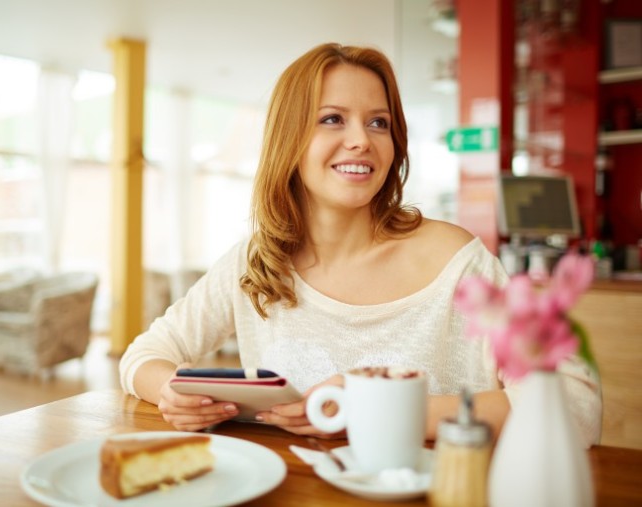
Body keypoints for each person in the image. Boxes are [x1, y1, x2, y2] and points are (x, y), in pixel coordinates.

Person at [120, 42, 601, 446]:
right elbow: (143, 356)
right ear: (288, 140)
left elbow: (574, 405)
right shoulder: (257, 260)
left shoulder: (457, 263)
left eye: (378, 123)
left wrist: (379, 411)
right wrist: (171, 392)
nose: (361, 141)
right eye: (332, 119)